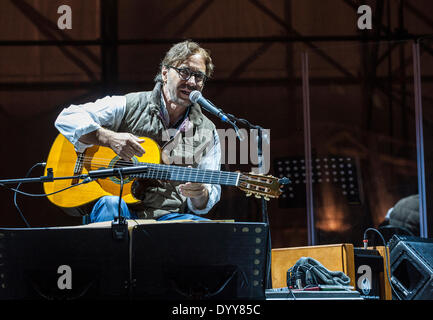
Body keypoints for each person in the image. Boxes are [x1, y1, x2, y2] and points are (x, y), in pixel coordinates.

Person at [54, 40, 221, 223]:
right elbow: (67, 117)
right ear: (165, 73)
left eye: (199, 76)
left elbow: (205, 202)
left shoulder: (207, 130)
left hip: (166, 216)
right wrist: (108, 138)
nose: (191, 81)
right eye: (184, 72)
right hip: (117, 208)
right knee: (110, 204)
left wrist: (200, 192)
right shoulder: (129, 105)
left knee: (207, 229)